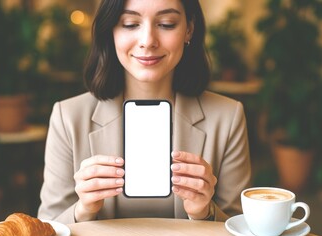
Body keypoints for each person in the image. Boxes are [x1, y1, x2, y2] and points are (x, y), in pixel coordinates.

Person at [37, 0, 251, 224]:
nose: (148, 41)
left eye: (167, 24)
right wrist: (83, 210)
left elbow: (240, 228)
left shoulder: (228, 117)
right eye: (130, 24)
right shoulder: (68, 117)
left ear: (189, 29)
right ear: (110, 30)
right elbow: (45, 229)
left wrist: (204, 211)